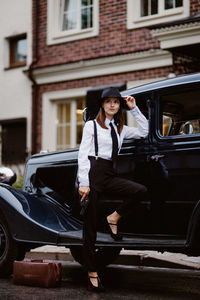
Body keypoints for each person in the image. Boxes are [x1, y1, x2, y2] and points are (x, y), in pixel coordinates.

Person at [78, 87, 148, 292]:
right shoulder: (91, 125)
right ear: (102, 104)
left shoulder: (121, 128)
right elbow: (83, 154)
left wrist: (134, 109)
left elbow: (144, 131)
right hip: (92, 172)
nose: (112, 105)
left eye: (116, 102)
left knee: (140, 191)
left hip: (108, 173)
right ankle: (92, 273)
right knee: (89, 230)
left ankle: (114, 217)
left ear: (119, 106)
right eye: (108, 101)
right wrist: (84, 182)